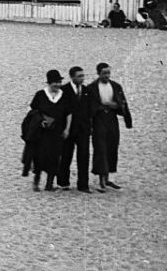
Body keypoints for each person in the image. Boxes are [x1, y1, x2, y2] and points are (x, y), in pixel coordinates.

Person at [84, 61, 133, 191]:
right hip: (99, 119)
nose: (107, 76)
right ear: (98, 73)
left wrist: (127, 119)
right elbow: (89, 107)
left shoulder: (116, 86)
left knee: (112, 146)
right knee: (100, 148)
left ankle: (108, 177)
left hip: (112, 119)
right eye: (104, 73)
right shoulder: (92, 88)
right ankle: (101, 179)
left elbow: (122, 103)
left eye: (108, 73)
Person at [24, 70, 73, 192]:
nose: (57, 85)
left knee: (54, 158)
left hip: (57, 132)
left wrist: (67, 129)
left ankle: (49, 184)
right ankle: (36, 182)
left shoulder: (64, 96)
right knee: (39, 157)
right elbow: (33, 112)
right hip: (42, 133)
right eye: (54, 82)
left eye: (59, 82)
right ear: (49, 83)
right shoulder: (40, 95)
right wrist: (40, 121)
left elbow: (69, 114)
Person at [58, 66, 93, 194]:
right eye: (79, 76)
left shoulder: (87, 90)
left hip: (83, 129)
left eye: (83, 76)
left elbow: (90, 110)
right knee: (66, 156)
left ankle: (83, 184)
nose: (82, 78)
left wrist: (90, 127)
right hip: (68, 129)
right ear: (72, 76)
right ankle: (63, 183)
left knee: (83, 156)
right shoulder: (64, 91)